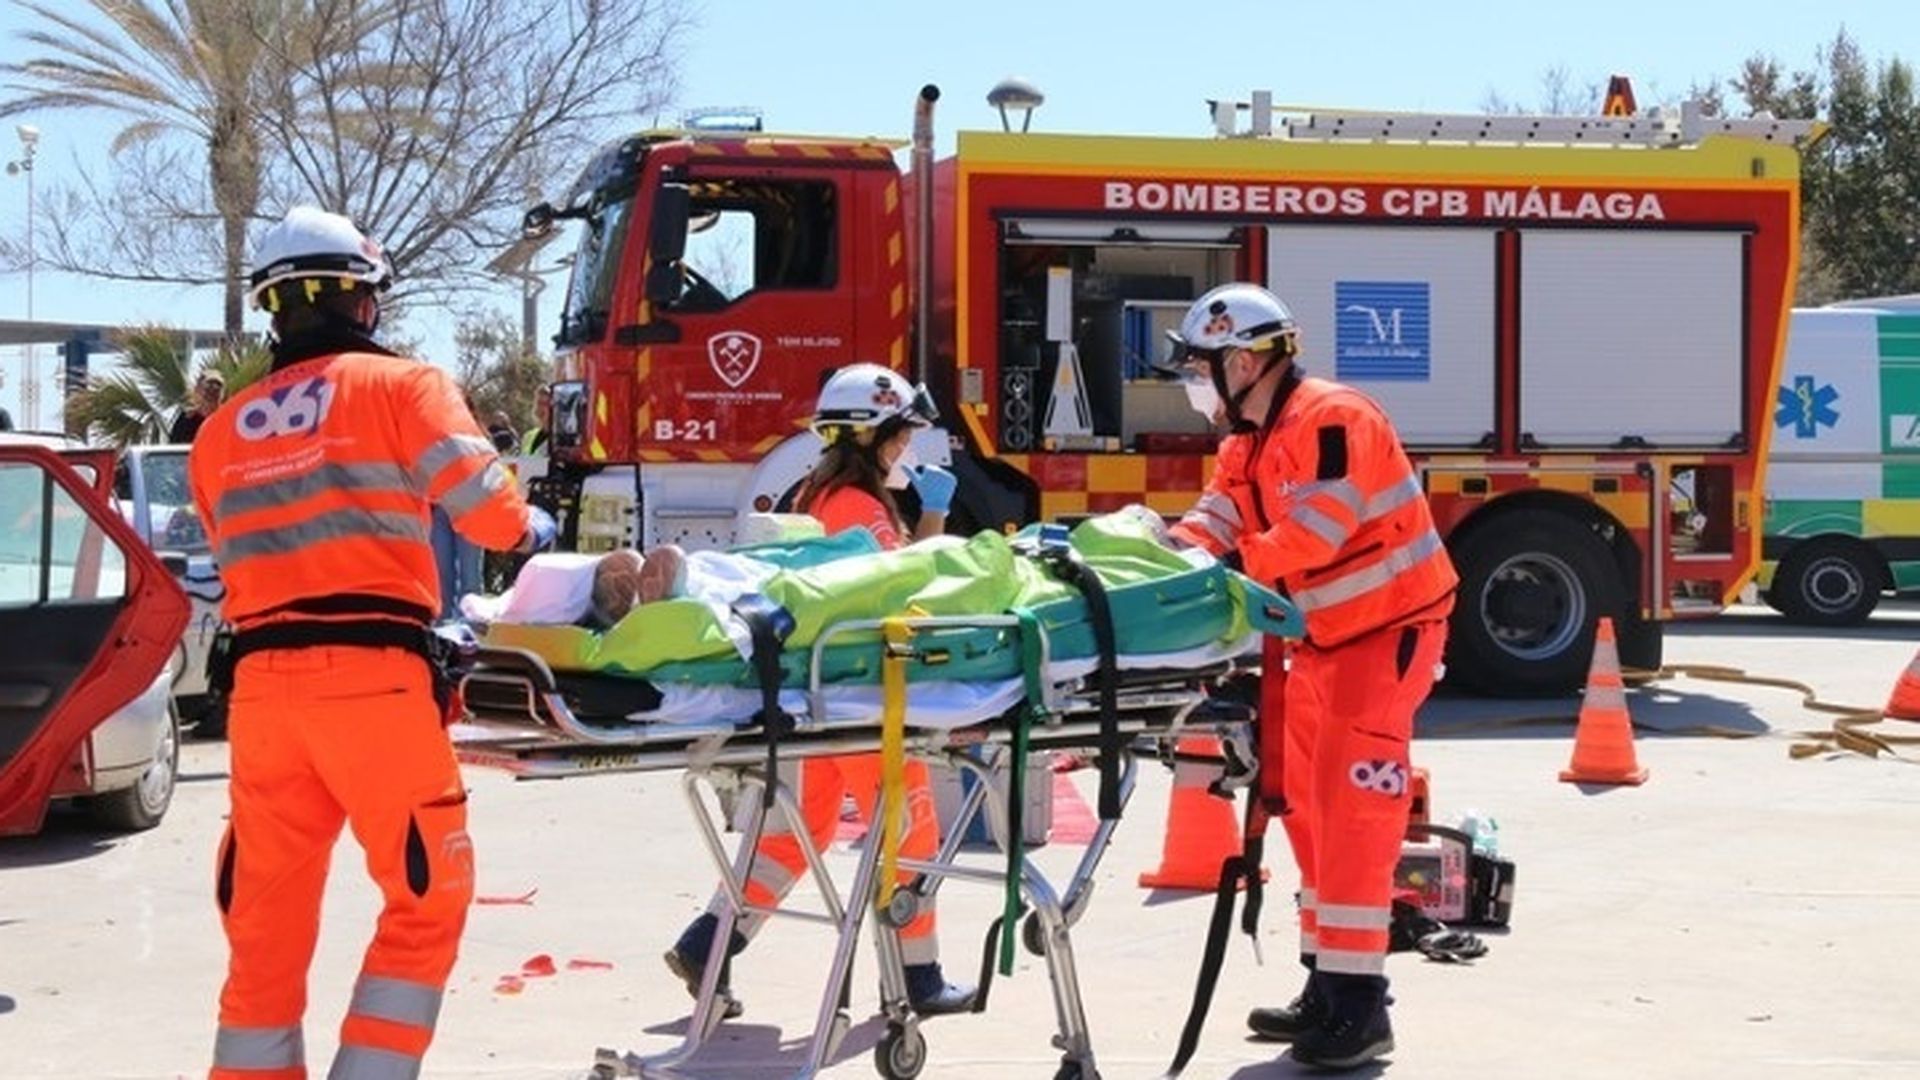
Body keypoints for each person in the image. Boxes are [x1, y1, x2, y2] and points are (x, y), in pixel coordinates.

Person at [189, 205, 556, 1080]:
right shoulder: (403, 388)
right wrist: (536, 525)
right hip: (375, 689)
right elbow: (494, 518)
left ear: (276, 309)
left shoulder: (215, 436)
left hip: (262, 700)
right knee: (428, 896)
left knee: (264, 924)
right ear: (366, 302)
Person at [1162, 284, 1457, 1071]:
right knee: (1307, 808)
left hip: (1387, 631)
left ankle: (1362, 1010)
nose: (1195, 383)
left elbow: (1317, 533)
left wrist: (1225, 567)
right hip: (1321, 642)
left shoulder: (1334, 418)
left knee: (1355, 813)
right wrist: (1163, 558)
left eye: (1200, 367)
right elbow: (1218, 516)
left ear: (1246, 359)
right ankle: (1327, 986)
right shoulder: (1247, 441)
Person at [665, 362, 975, 1017]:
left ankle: (706, 942)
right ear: (871, 439)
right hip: (860, 699)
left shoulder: (810, 497)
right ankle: (919, 982)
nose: (906, 450)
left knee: (792, 836)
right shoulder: (861, 509)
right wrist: (939, 516)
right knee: (910, 836)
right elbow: (908, 590)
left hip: (810, 702)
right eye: (899, 437)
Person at [170, 372, 226, 444]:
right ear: (198, 390)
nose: (213, 389)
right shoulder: (186, 418)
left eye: (218, 386)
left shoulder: (227, 418)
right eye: (209, 385)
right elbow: (174, 446)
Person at [520, 385, 551, 456]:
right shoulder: (528, 436)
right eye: (538, 403)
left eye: (545, 404)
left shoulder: (561, 440)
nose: (540, 408)